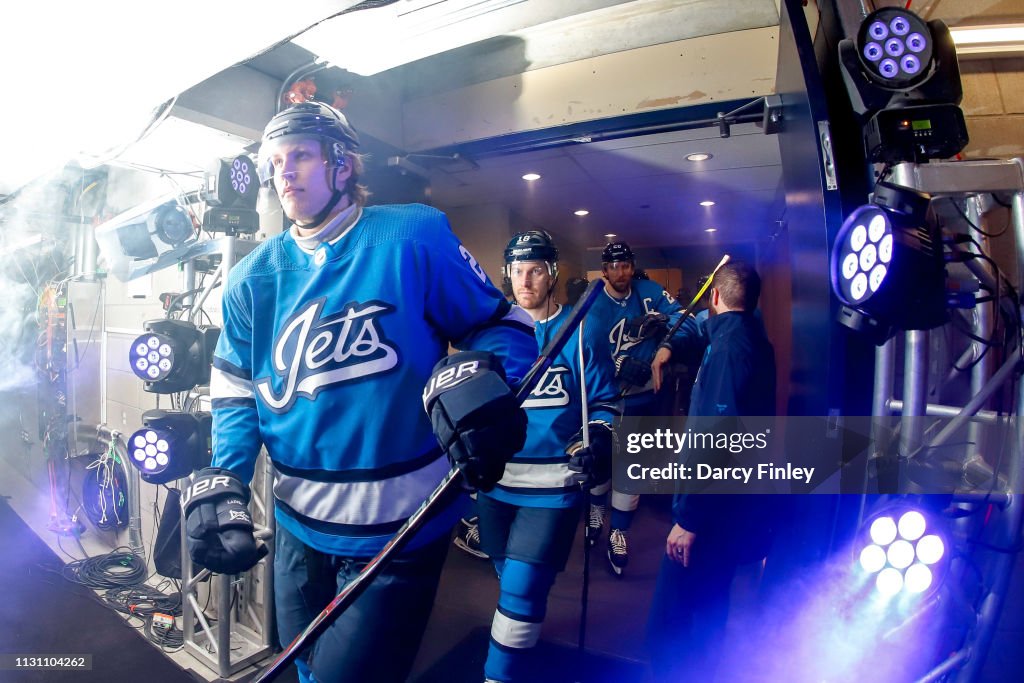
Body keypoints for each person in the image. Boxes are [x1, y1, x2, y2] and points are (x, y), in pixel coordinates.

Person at [181, 101, 535, 683]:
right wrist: (229, 476)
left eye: (299, 156)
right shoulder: (252, 277)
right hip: (296, 527)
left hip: (399, 529)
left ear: (342, 165)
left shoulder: (412, 234)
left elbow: (502, 323)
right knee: (300, 669)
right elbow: (235, 387)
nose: (284, 172)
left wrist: (487, 375)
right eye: (275, 162)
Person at [477, 230, 620, 682]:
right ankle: (523, 645)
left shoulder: (581, 333)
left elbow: (603, 402)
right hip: (496, 483)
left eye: (535, 270)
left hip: (553, 486)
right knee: (513, 587)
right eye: (517, 270)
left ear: (552, 273)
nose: (525, 280)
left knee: (519, 591)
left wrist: (599, 437)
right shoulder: (493, 335)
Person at [647, 261, 776, 682]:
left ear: (716, 297)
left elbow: (719, 440)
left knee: (673, 619)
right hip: (732, 504)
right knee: (707, 608)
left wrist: (689, 518)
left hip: (709, 512)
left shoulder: (727, 349)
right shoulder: (752, 337)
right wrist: (668, 346)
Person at [585, 241, 701, 576]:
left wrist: (666, 344)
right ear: (604, 270)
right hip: (606, 398)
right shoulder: (593, 304)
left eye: (626, 265)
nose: (621, 273)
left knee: (632, 468)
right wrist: (617, 363)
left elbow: (686, 321)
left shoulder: (649, 291)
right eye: (614, 266)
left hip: (646, 398)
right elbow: (581, 351)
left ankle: (619, 531)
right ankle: (595, 512)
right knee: (603, 461)